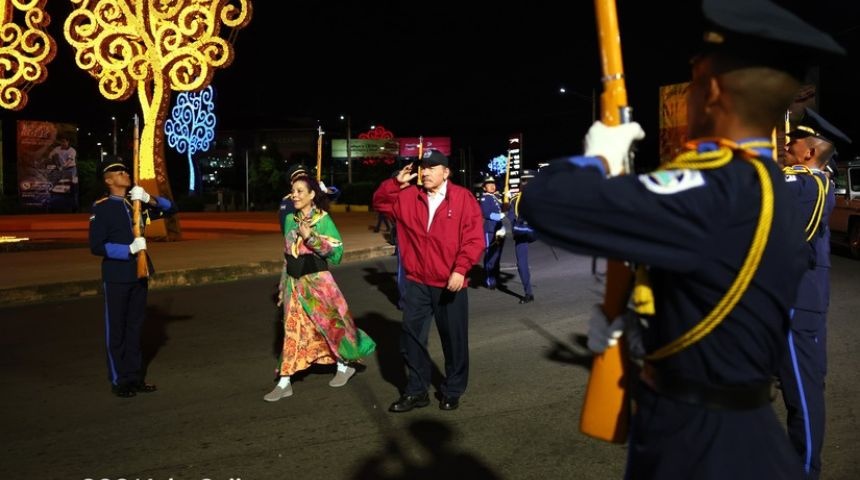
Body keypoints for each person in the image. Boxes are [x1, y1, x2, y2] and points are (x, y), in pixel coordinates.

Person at [519, 0, 844, 477]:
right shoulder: (766, 182)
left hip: (705, 449)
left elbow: (547, 203)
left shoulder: (721, 186)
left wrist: (595, 159)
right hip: (726, 429)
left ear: (711, 90)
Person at [372, 150, 483, 412]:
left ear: (446, 172)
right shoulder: (409, 196)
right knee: (411, 338)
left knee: (453, 339)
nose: (426, 172)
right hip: (417, 281)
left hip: (449, 282)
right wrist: (396, 184)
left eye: (433, 167)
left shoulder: (463, 199)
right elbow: (379, 202)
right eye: (423, 167)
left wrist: (461, 269)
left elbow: (474, 239)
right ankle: (417, 390)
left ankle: (453, 389)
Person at [779, 107, 849, 480]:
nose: (786, 148)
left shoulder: (805, 182)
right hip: (801, 301)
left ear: (809, 153)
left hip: (794, 304)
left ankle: (803, 470)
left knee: (803, 394)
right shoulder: (814, 182)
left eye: (793, 144)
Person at [265, 174, 376, 401]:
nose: (293, 195)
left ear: (312, 195)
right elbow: (287, 256)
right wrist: (282, 285)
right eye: (292, 191)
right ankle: (285, 381)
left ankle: (345, 365)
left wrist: (311, 237)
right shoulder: (290, 220)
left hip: (318, 284)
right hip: (294, 285)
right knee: (292, 330)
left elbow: (336, 254)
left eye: (299, 191)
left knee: (331, 326)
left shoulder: (323, 220)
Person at [88, 158, 177, 398]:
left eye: (125, 170)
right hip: (117, 275)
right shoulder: (102, 207)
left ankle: (136, 377)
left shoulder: (135, 202)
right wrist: (127, 249)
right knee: (116, 329)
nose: (125, 173)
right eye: (119, 172)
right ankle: (120, 380)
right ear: (108, 180)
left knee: (135, 328)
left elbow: (170, 210)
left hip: (139, 272)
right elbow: (96, 246)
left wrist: (150, 199)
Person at [507, 170, 537, 304]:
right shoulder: (514, 199)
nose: (526, 183)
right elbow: (512, 217)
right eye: (524, 180)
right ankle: (528, 293)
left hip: (533, 231)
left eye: (529, 181)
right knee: (521, 264)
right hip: (521, 233)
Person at [479, 175, 505, 289]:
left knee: (497, 255)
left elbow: (504, 207)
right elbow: (486, 213)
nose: (492, 186)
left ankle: (496, 277)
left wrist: (506, 198)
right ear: (484, 188)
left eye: (493, 184)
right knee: (490, 255)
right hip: (490, 230)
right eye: (489, 184)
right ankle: (489, 279)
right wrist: (499, 216)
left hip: (499, 229)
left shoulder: (497, 196)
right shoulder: (485, 198)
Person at [49, 135, 78, 211]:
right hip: (60, 169)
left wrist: (62, 167)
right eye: (62, 141)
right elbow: (50, 155)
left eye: (65, 141)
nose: (63, 143)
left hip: (71, 169)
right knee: (56, 186)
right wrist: (55, 161)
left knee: (72, 186)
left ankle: (73, 206)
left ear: (68, 142)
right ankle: (56, 205)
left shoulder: (72, 150)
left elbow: (69, 161)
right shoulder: (57, 149)